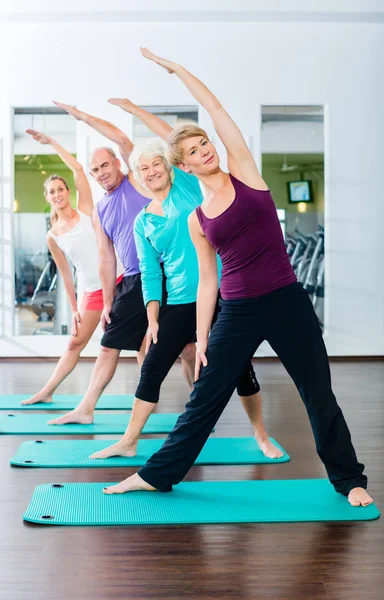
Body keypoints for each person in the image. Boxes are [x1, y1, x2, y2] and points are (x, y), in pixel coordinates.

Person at [105, 48, 372, 509]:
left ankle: (348, 479)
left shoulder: (245, 172)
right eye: (192, 152)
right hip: (239, 309)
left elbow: (215, 108)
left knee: (318, 393)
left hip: (287, 300)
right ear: (183, 167)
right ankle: (157, 475)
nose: (204, 151)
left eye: (204, 143)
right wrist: (203, 336)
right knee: (204, 398)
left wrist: (177, 70)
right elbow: (208, 282)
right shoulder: (197, 217)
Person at [90, 131, 281, 460]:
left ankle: (261, 434)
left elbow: (178, 146)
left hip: (220, 293)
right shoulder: (143, 221)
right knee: (151, 368)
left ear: (169, 166)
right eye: (144, 169)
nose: (151, 172)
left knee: (241, 370)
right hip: (178, 300)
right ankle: (129, 440)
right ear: (138, 176)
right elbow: (150, 274)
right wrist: (152, 319)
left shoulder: (188, 188)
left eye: (156, 165)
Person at [46, 102, 193, 426]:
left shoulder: (137, 180)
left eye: (104, 166)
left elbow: (124, 140)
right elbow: (106, 256)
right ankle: (86, 408)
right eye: (94, 170)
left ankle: (199, 412)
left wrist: (84, 118)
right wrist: (109, 299)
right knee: (109, 346)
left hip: (168, 275)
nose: (100, 174)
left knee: (187, 349)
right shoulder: (100, 210)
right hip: (132, 280)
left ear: (116, 163)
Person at [20, 130, 122, 406]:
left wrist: (51, 142)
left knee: (136, 343)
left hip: (119, 281)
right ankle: (47, 391)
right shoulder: (53, 235)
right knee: (74, 343)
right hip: (91, 290)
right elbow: (66, 274)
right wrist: (75, 308)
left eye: (60, 189)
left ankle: (148, 397)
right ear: (48, 197)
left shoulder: (86, 209)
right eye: (51, 192)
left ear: (67, 192)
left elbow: (77, 168)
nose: (57, 194)